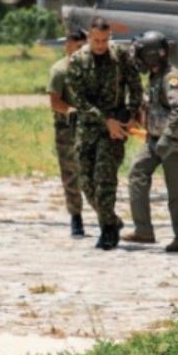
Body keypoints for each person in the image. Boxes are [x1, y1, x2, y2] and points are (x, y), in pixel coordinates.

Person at [66, 16, 143, 250]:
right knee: (86, 183)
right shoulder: (78, 60)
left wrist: (129, 114)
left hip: (114, 131)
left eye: (104, 40)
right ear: (89, 37)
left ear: (109, 37)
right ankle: (112, 220)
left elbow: (136, 85)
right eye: (96, 40)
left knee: (104, 181)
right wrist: (104, 120)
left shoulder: (120, 57)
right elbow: (79, 100)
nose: (100, 45)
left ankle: (107, 232)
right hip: (88, 127)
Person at [123, 31, 178, 253]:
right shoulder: (155, 75)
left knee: (177, 193)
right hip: (154, 140)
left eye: (142, 54)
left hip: (175, 143)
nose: (139, 59)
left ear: (155, 55)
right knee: (137, 173)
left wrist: (166, 138)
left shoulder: (170, 78)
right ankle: (143, 231)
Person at [47, 29, 89, 237]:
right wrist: (72, 111)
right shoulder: (59, 71)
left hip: (90, 127)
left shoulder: (93, 68)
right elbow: (55, 102)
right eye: (77, 47)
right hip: (67, 129)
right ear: (68, 46)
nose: (81, 51)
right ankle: (76, 216)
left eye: (84, 47)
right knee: (71, 173)